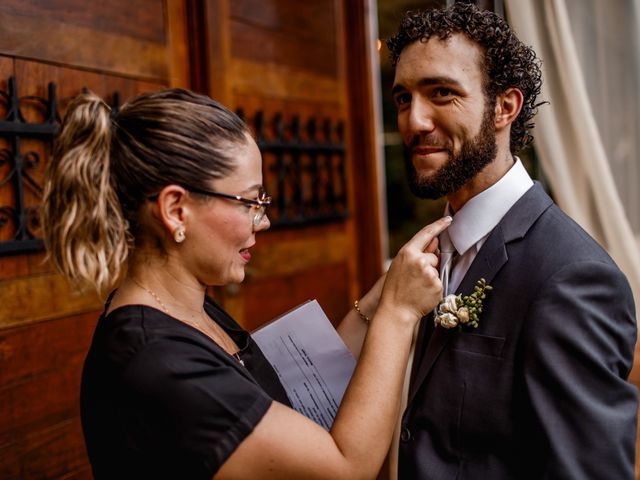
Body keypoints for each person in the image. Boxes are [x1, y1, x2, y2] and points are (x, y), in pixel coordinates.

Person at [41, 87, 451, 480]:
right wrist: (399, 313)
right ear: (176, 210)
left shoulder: (188, 308)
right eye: (250, 203)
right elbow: (345, 468)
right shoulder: (157, 364)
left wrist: (382, 298)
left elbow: (290, 399)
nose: (264, 220)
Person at [380, 3, 636, 479]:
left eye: (441, 93)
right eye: (402, 98)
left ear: (505, 107)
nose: (414, 121)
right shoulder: (431, 254)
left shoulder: (572, 276)